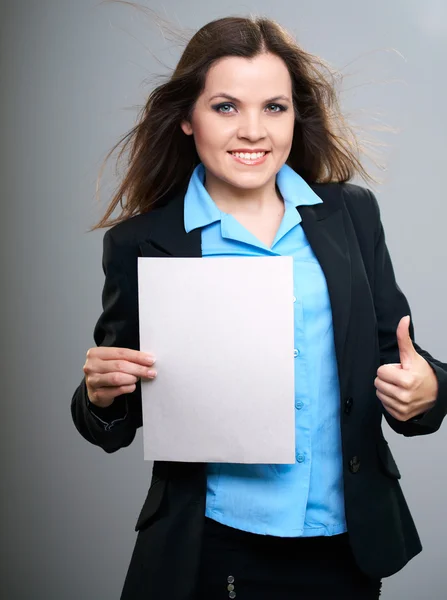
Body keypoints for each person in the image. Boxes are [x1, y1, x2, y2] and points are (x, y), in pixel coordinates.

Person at [71, 15, 447, 600]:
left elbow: (398, 355)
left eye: (274, 107)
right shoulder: (143, 242)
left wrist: (429, 389)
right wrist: (100, 395)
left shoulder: (351, 216)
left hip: (345, 546)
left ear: (297, 116)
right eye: (225, 107)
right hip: (213, 547)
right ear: (186, 119)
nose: (253, 130)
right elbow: (115, 418)